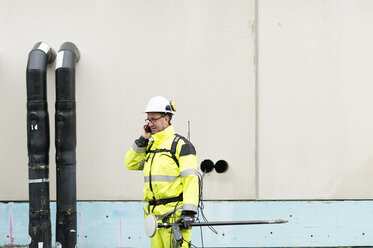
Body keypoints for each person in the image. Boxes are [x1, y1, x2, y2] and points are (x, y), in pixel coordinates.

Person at [125, 96, 199, 248]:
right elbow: (130, 163)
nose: (150, 124)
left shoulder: (181, 145)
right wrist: (142, 140)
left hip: (175, 217)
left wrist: (189, 213)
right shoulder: (149, 146)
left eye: (153, 119)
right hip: (154, 218)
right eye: (148, 120)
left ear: (166, 119)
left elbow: (190, 180)